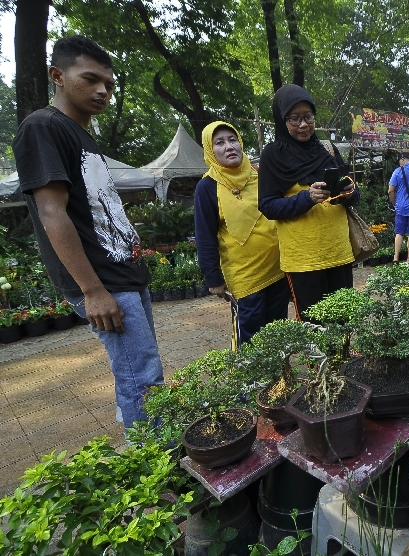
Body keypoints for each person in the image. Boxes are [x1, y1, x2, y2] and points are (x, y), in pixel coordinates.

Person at [11, 35, 164, 434]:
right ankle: (158, 471)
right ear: (57, 76)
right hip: (104, 284)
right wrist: (91, 290)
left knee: (138, 374)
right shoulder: (42, 127)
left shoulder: (81, 134)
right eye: (91, 79)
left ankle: (145, 452)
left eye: (109, 85)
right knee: (144, 381)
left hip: (123, 275)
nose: (102, 91)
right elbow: (51, 211)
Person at [258, 84, 360, 321]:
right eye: (294, 118)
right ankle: (320, 360)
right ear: (282, 120)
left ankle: (345, 359)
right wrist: (307, 198)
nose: (303, 124)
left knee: (344, 319)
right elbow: (268, 206)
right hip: (304, 259)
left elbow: (354, 195)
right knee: (314, 323)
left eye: (308, 117)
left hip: (338, 251)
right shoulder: (273, 155)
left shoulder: (327, 149)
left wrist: (347, 192)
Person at [194, 121, 289, 348]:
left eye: (233, 139)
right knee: (249, 332)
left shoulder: (258, 174)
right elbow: (204, 235)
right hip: (245, 275)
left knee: (277, 329)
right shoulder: (207, 187)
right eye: (220, 143)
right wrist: (213, 279)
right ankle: (249, 382)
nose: (229, 147)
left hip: (278, 268)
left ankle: (278, 378)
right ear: (210, 150)